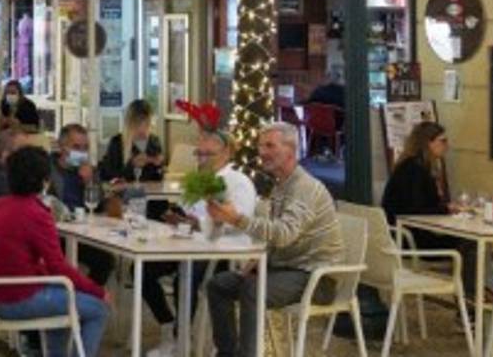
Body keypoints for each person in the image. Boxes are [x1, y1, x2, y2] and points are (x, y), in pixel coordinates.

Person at [206, 122, 345, 357]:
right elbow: (281, 238)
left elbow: (284, 234)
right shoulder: (281, 186)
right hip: (287, 270)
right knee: (218, 285)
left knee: (252, 290)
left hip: (317, 276)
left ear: (291, 150)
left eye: (270, 146)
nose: (262, 152)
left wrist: (237, 219)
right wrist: (260, 261)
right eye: (261, 146)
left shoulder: (305, 187)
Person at [0, 146, 110, 357]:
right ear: (44, 181)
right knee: (98, 309)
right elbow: (58, 267)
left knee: (62, 299)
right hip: (16, 299)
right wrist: (98, 291)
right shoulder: (36, 213)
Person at [140, 130, 259, 356]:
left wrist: (201, 224)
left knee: (186, 274)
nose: (201, 159)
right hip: (191, 243)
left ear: (226, 153)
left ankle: (181, 341)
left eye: (207, 154)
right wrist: (180, 219)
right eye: (199, 154)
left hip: (224, 250)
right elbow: (190, 212)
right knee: (143, 270)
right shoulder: (198, 181)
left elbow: (239, 223)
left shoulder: (238, 182)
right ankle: (168, 324)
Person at [380, 121, 477, 294]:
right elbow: (417, 209)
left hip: (403, 234)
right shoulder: (415, 171)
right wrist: (446, 209)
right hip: (412, 240)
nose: (447, 146)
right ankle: (468, 295)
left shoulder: (409, 166)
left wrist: (444, 208)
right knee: (469, 242)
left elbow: (419, 205)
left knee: (467, 241)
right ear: (428, 143)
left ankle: (470, 291)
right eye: (443, 141)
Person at [51, 123, 115, 285]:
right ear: (61, 147)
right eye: (76, 147)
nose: (81, 152)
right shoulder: (48, 169)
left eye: (85, 148)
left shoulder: (90, 170)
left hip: (84, 232)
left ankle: (85, 294)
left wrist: (89, 182)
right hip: (56, 232)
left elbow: (99, 206)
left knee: (105, 260)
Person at [99, 99, 165, 184]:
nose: (142, 130)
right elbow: (107, 176)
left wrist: (158, 165)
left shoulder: (154, 142)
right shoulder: (117, 143)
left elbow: (158, 178)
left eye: (147, 124)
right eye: (138, 125)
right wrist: (132, 165)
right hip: (124, 191)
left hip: (150, 191)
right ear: (130, 124)